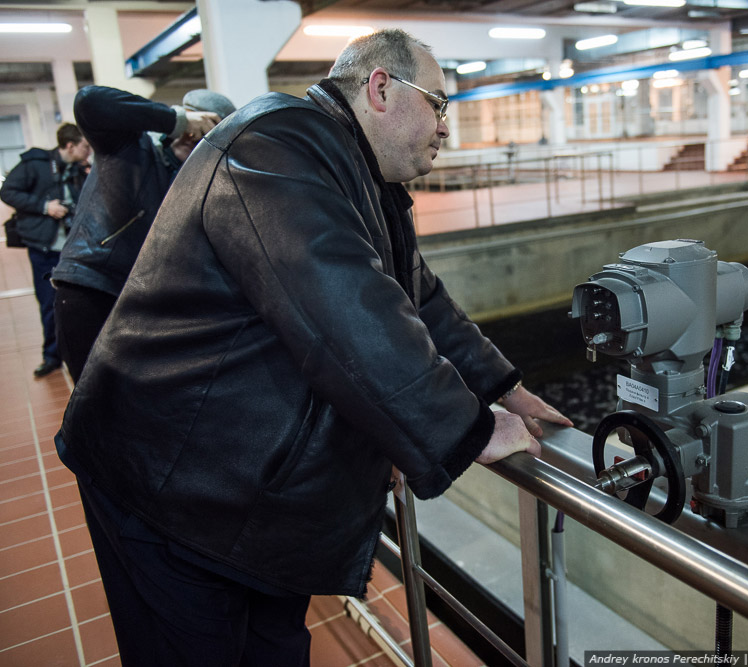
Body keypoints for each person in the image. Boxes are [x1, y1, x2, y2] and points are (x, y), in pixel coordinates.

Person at [56, 29, 572, 665]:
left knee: (273, 647)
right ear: (381, 88)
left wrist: (502, 387)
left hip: (248, 491)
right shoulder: (277, 142)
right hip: (169, 484)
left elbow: (418, 295)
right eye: (439, 104)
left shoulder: (362, 175)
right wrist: (468, 426)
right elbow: (347, 306)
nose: (446, 128)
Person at [51, 85, 236, 382]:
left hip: (140, 308)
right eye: (197, 125)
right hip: (92, 291)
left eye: (208, 133)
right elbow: (90, 101)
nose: (195, 137)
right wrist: (177, 120)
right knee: (90, 414)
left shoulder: (194, 187)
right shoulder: (129, 147)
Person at [0, 123, 90, 377]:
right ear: (70, 145)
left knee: (79, 303)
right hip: (45, 248)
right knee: (48, 303)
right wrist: (44, 206)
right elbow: (8, 191)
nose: (88, 151)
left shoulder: (80, 171)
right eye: (85, 146)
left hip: (74, 248)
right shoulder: (35, 164)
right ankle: (51, 355)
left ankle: (81, 354)